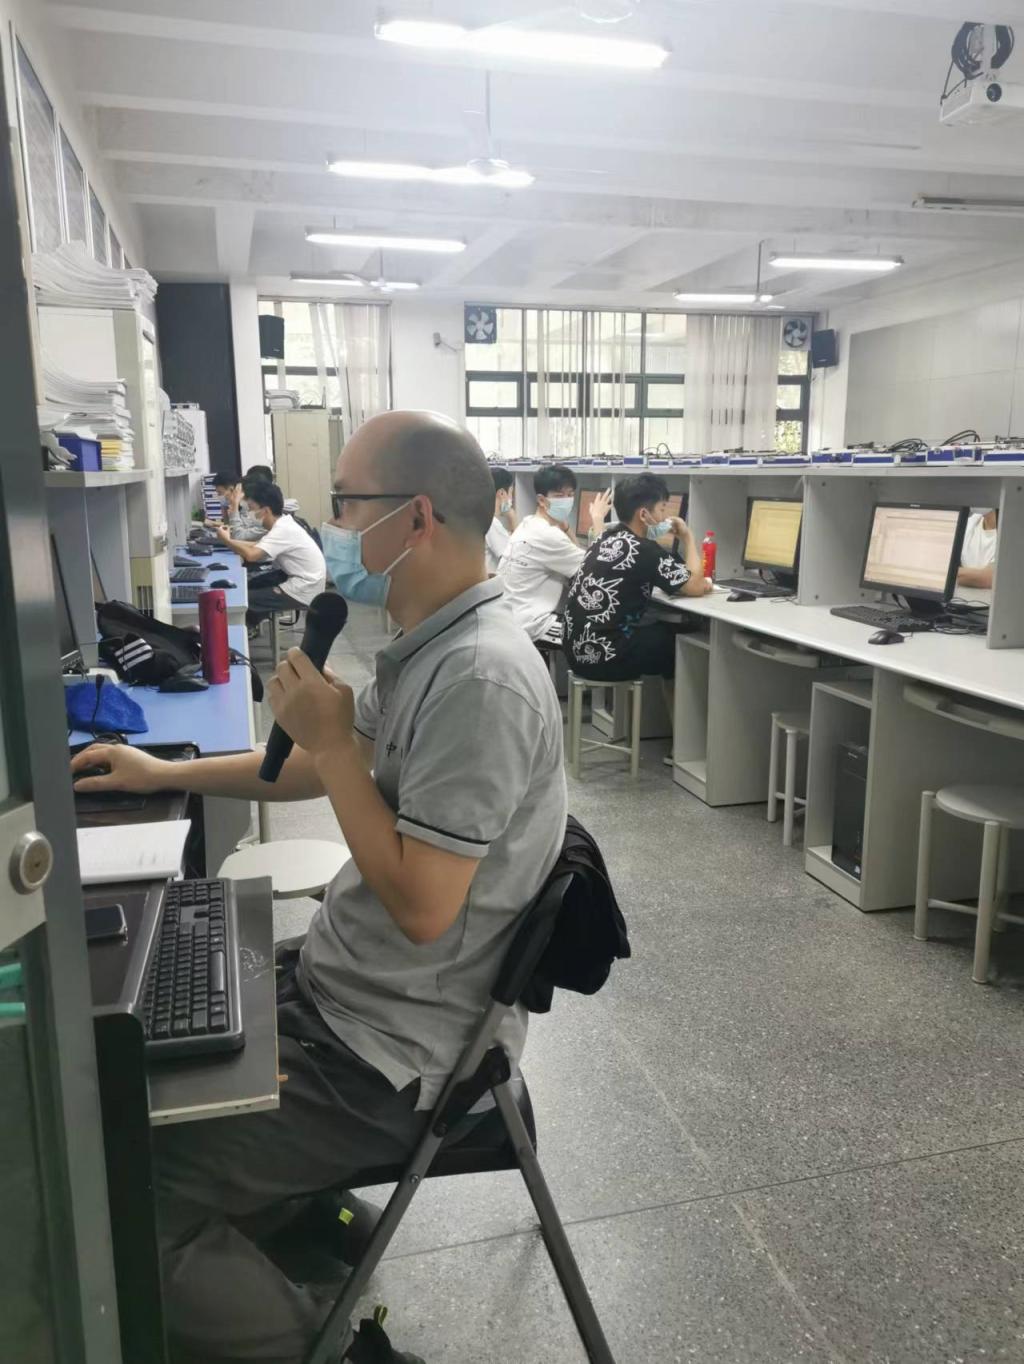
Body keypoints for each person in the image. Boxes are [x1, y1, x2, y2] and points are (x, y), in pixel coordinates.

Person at [70, 411, 567, 1364]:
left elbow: (424, 908)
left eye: (345, 504)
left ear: (415, 518)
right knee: (163, 1034)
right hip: (350, 991)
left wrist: (336, 744)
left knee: (129, 1182)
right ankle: (298, 1212)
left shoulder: (482, 679)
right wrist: (163, 771)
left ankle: (331, 1352)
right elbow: (312, 764)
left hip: (393, 1054)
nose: (331, 524)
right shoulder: (431, 644)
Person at [562, 472, 710, 680]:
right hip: (603, 657)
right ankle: (674, 703)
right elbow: (696, 586)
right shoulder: (644, 549)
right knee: (678, 640)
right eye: (662, 509)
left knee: (659, 631)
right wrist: (688, 537)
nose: (665, 518)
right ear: (643, 515)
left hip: (575, 651)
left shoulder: (603, 538)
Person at [497, 464, 611, 644]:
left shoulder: (529, 523)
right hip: (532, 624)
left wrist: (566, 529)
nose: (567, 500)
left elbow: (581, 559)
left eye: (570, 494)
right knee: (599, 637)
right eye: (559, 496)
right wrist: (598, 520)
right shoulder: (547, 535)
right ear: (542, 500)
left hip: (511, 617)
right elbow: (600, 568)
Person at [215, 481, 326, 621]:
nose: (249, 514)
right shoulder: (283, 523)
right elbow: (256, 545)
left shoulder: (282, 529)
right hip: (299, 580)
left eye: (251, 509)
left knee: (241, 599)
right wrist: (228, 541)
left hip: (303, 589)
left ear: (266, 510)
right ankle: (249, 623)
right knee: (246, 586)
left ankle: (241, 628)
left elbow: (252, 555)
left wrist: (227, 541)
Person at [207, 470, 265, 542]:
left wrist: (234, 506)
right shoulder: (240, 508)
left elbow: (237, 536)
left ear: (232, 489)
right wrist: (226, 508)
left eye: (220, 493)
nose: (219, 496)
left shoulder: (254, 512)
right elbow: (230, 529)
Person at [485, 465, 516, 574]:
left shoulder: (481, 517)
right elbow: (514, 557)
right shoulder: (492, 523)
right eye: (511, 493)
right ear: (502, 493)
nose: (511, 499)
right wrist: (512, 517)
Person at [957, 508, 998, 590]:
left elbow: (989, 578)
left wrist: (946, 573)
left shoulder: (1014, 532)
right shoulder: (972, 521)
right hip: (964, 595)